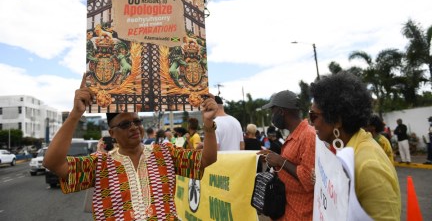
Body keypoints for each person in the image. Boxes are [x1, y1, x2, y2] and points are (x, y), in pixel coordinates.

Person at [43, 74, 218, 220]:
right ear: (112, 133)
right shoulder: (100, 163)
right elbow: (53, 163)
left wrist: (208, 124)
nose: (134, 127)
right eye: (125, 124)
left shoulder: (165, 153)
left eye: (136, 121)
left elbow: (206, 160)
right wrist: (75, 114)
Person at [309, 72, 400, 220]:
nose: (311, 123)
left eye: (313, 116)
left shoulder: (368, 165)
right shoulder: (345, 149)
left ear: (337, 120)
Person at [257, 90, 316, 221]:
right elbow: (292, 163)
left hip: (300, 214)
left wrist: (279, 160)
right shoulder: (294, 134)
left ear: (281, 112)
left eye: (273, 112)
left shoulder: (308, 135)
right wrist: (273, 157)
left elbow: (308, 177)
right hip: (287, 211)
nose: (272, 117)